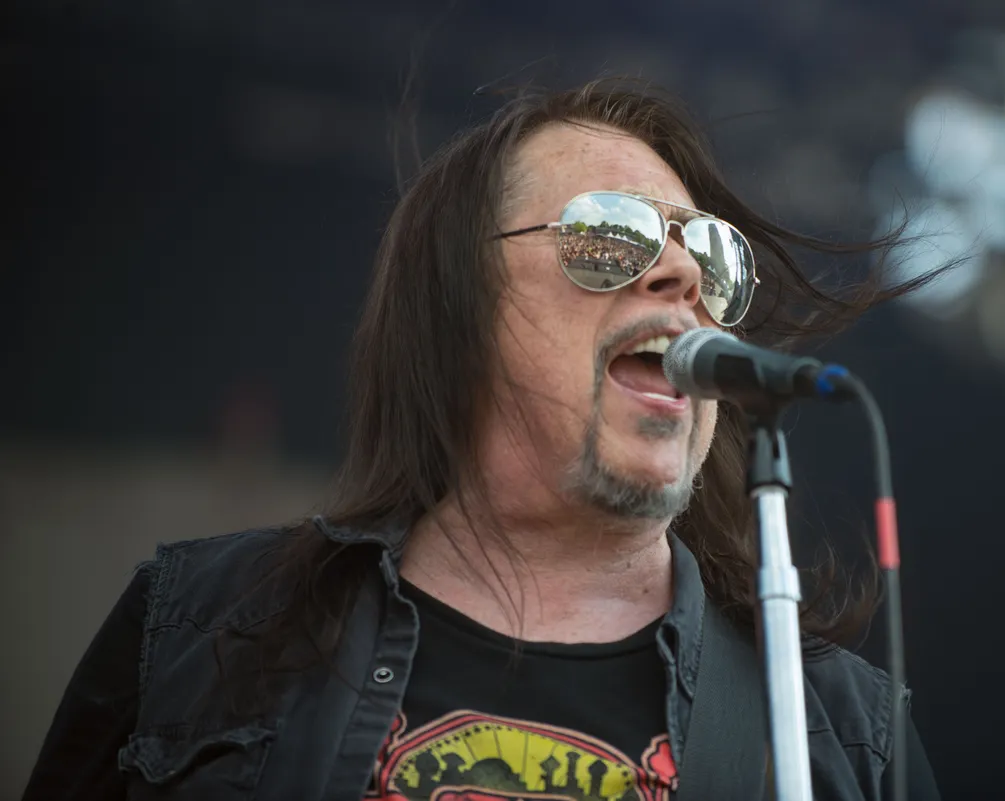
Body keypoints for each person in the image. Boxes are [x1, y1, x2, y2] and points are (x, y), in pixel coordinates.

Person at [22, 79, 942, 801]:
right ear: (461, 305)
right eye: (610, 236)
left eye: (708, 252)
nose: (679, 274)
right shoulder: (200, 628)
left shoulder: (838, 731)